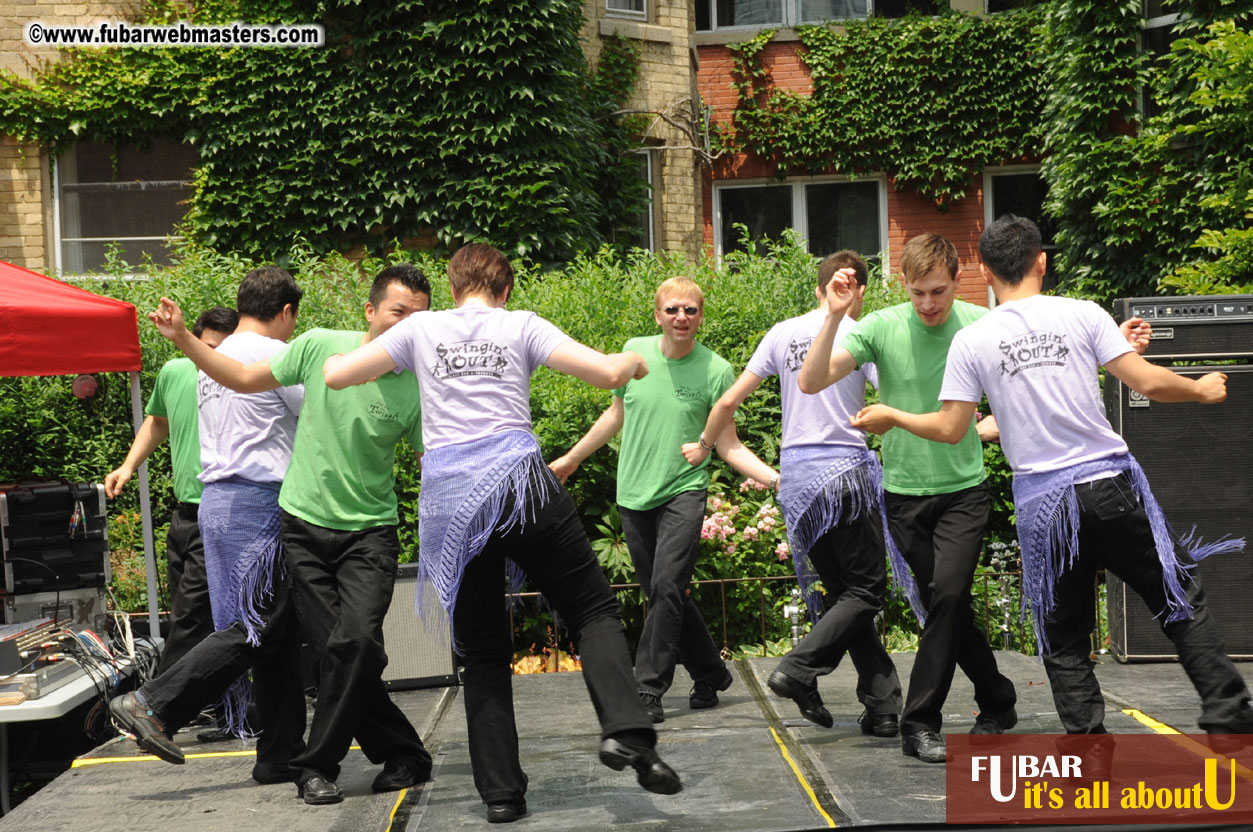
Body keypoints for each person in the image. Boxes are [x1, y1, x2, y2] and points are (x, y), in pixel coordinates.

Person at [851, 214, 1253, 737]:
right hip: (1106, 486)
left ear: (985, 272)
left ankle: (1089, 756)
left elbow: (953, 428)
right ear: (1042, 262)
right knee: (1176, 594)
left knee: (1064, 638)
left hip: (1045, 509)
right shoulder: (1082, 314)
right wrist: (1200, 388)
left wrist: (894, 416)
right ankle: (1225, 709)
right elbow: (1147, 382)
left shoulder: (973, 341)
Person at [323, 244, 680, 824]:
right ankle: (627, 732)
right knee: (591, 611)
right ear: (505, 289)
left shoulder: (420, 330)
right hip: (520, 484)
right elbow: (608, 372)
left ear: (453, 284)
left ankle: (501, 794)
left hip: (454, 505)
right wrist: (635, 365)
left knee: (484, 652)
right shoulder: (521, 325)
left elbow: (336, 376)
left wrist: (392, 344)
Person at [149, 265, 434, 804]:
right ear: (371, 311)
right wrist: (185, 338)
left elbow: (433, 456)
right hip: (298, 527)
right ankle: (377, 757)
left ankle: (311, 759)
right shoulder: (320, 346)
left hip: (368, 533)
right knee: (307, 642)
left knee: (351, 646)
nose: (408, 326)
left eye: (420, 318)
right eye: (398, 312)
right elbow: (242, 378)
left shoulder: (417, 385)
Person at [798, 234, 1018, 764]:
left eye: (938, 291)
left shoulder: (981, 324)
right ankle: (998, 698)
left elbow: (1026, 380)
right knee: (946, 606)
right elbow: (810, 382)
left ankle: (920, 722)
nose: (928, 304)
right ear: (903, 284)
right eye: (918, 293)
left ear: (958, 277)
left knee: (945, 596)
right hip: (903, 495)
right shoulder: (880, 326)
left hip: (963, 490)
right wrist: (833, 316)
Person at [680, 251, 911, 735]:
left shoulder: (781, 332)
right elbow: (895, 398)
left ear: (817, 289)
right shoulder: (861, 333)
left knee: (847, 599)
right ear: (860, 292)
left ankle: (884, 706)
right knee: (868, 591)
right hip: (844, 474)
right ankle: (799, 668)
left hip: (799, 481)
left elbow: (728, 400)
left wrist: (705, 445)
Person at [109, 266, 307, 790]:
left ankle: (280, 753)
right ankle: (153, 702)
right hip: (257, 500)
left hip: (218, 501)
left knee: (276, 633)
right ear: (285, 312)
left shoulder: (208, 364)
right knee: (257, 624)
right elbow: (316, 416)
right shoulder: (273, 356)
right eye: (294, 319)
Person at [550, 277, 776, 723]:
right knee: (661, 591)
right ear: (658, 315)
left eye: (691, 310)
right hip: (634, 493)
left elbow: (727, 443)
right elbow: (615, 414)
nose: (682, 317)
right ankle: (711, 672)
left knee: (668, 586)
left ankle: (647, 689)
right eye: (673, 309)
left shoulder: (715, 370)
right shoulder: (635, 353)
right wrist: (572, 459)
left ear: (701, 317)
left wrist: (775, 480)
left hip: (684, 489)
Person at [105, 307, 238, 678]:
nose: (215, 358)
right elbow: (158, 420)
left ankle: (156, 705)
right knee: (187, 609)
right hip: (184, 515)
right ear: (189, 342)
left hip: (224, 512)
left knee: (191, 616)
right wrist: (128, 466)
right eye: (208, 347)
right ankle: (203, 703)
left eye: (225, 351)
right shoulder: (175, 372)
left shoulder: (242, 382)